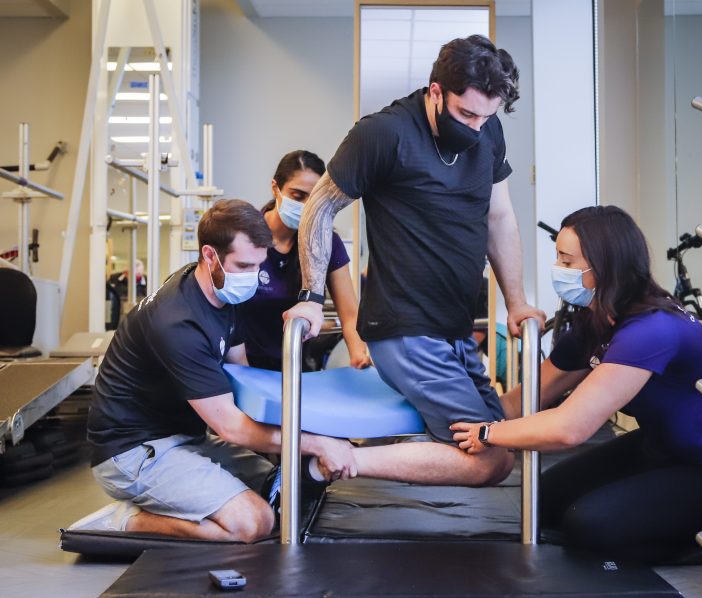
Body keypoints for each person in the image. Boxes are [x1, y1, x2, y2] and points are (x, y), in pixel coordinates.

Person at [285, 35, 544, 487]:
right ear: (436, 92)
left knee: (500, 431)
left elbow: (498, 217)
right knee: (491, 458)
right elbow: (319, 208)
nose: (478, 127)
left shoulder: (487, 130)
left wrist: (517, 302)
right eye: (467, 114)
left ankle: (333, 462)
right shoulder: (384, 133)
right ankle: (336, 460)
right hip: (404, 328)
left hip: (456, 328)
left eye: (488, 117)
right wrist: (310, 295)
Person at [451, 205, 702, 561]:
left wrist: (487, 434)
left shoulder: (652, 330)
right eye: (559, 259)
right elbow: (530, 398)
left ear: (603, 266)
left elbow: (570, 428)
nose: (559, 271)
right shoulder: (596, 322)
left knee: (589, 526)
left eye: (567, 263)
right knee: (545, 499)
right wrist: (454, 418)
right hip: (659, 448)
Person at [75, 200, 356, 542]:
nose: (252, 276)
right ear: (210, 256)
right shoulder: (178, 323)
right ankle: (127, 520)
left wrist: (312, 428)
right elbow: (230, 426)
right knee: (254, 522)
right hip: (133, 453)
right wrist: (316, 444)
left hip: (186, 440)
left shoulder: (224, 298)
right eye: (243, 265)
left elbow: (244, 376)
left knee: (283, 486)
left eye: (258, 265)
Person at [240, 150, 370, 371]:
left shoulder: (328, 242)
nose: (306, 207)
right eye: (297, 196)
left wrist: (360, 355)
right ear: (276, 188)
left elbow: (349, 315)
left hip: (295, 363)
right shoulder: (244, 236)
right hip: (241, 363)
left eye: (314, 199)